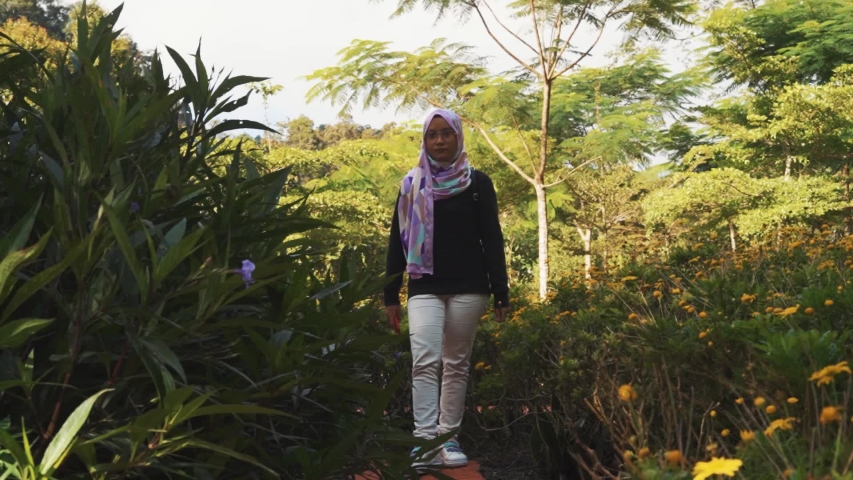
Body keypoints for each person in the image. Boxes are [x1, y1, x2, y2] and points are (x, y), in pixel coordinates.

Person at [384, 108, 511, 469]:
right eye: (431, 135)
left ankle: (449, 439)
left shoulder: (478, 183)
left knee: (456, 363)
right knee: (424, 360)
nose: (439, 140)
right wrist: (390, 295)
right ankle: (425, 442)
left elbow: (492, 238)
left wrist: (501, 291)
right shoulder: (411, 184)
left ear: (458, 136)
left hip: (470, 287)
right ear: (424, 141)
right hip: (424, 286)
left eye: (446, 133)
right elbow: (398, 241)